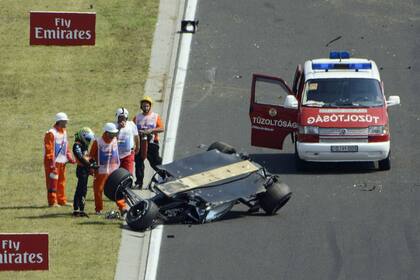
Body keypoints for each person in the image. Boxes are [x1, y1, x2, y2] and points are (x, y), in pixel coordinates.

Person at [89, 123, 127, 215]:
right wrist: (91, 169)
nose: (113, 136)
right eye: (111, 134)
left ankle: (123, 207)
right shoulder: (97, 142)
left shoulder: (114, 140)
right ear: (106, 133)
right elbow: (91, 156)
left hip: (114, 170)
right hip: (101, 171)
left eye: (114, 134)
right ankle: (98, 209)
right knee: (98, 190)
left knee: (118, 189)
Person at [43, 112, 76, 207]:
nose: (66, 123)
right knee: (52, 182)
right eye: (65, 121)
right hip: (53, 163)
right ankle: (52, 202)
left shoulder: (64, 131)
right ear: (59, 122)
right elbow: (49, 149)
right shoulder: (51, 133)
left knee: (61, 182)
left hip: (62, 161)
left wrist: (69, 156)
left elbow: (66, 145)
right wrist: (51, 164)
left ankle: (61, 200)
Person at [133, 96, 164, 189]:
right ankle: (139, 182)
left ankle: (165, 177)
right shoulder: (137, 117)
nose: (146, 108)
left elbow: (162, 128)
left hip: (152, 143)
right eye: (144, 106)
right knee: (138, 163)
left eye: (147, 106)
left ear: (150, 106)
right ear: (141, 107)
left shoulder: (155, 116)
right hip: (140, 143)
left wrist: (151, 131)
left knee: (155, 163)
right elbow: (131, 129)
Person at [72, 127, 96, 217]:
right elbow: (80, 158)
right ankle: (76, 209)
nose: (89, 141)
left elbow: (87, 156)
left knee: (84, 189)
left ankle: (82, 209)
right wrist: (89, 165)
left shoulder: (84, 145)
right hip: (81, 170)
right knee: (80, 189)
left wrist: (93, 162)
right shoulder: (77, 145)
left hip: (86, 169)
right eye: (88, 139)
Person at [115, 108, 140, 175]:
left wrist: (137, 147)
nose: (123, 120)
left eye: (124, 118)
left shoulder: (131, 124)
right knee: (115, 174)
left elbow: (136, 136)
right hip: (116, 155)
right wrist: (119, 128)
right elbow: (111, 138)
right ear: (117, 117)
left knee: (128, 173)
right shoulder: (113, 126)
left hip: (128, 154)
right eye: (120, 118)